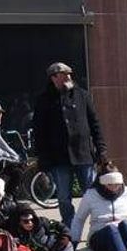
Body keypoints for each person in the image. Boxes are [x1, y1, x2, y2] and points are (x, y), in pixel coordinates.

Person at [32, 61, 109, 227]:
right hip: (59, 158)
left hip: (84, 155)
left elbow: (94, 123)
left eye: (69, 74)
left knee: (92, 193)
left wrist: (101, 149)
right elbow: (39, 131)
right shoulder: (44, 100)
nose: (68, 77)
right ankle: (70, 228)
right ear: (53, 78)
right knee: (63, 197)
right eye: (63, 74)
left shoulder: (82, 95)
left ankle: (98, 225)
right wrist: (42, 157)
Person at [11, 202, 88, 251]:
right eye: (26, 221)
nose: (30, 223)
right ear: (19, 222)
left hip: (60, 247)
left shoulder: (43, 223)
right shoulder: (18, 234)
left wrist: (64, 239)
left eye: (32, 220)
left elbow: (63, 228)